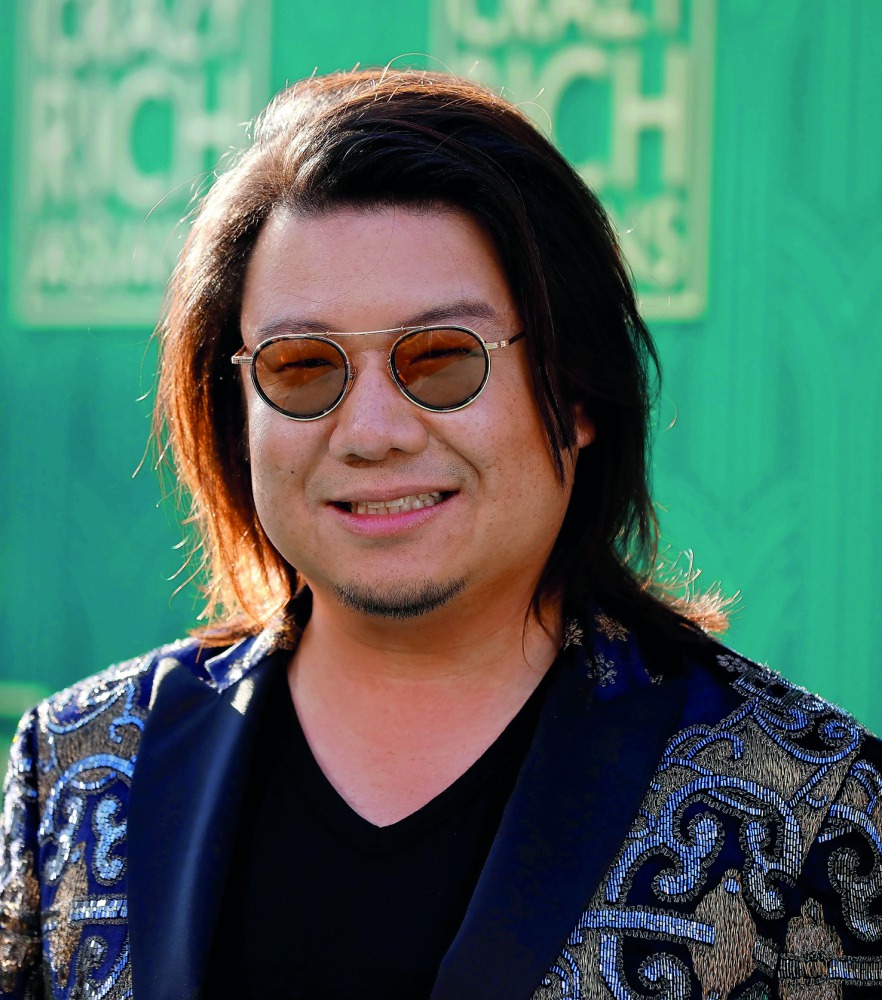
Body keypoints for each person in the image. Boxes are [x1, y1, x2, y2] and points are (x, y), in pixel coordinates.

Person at [1, 68, 880, 1000]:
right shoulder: (79, 768)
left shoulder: (808, 807)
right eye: (303, 368)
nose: (372, 431)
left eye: (442, 358)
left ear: (578, 394)